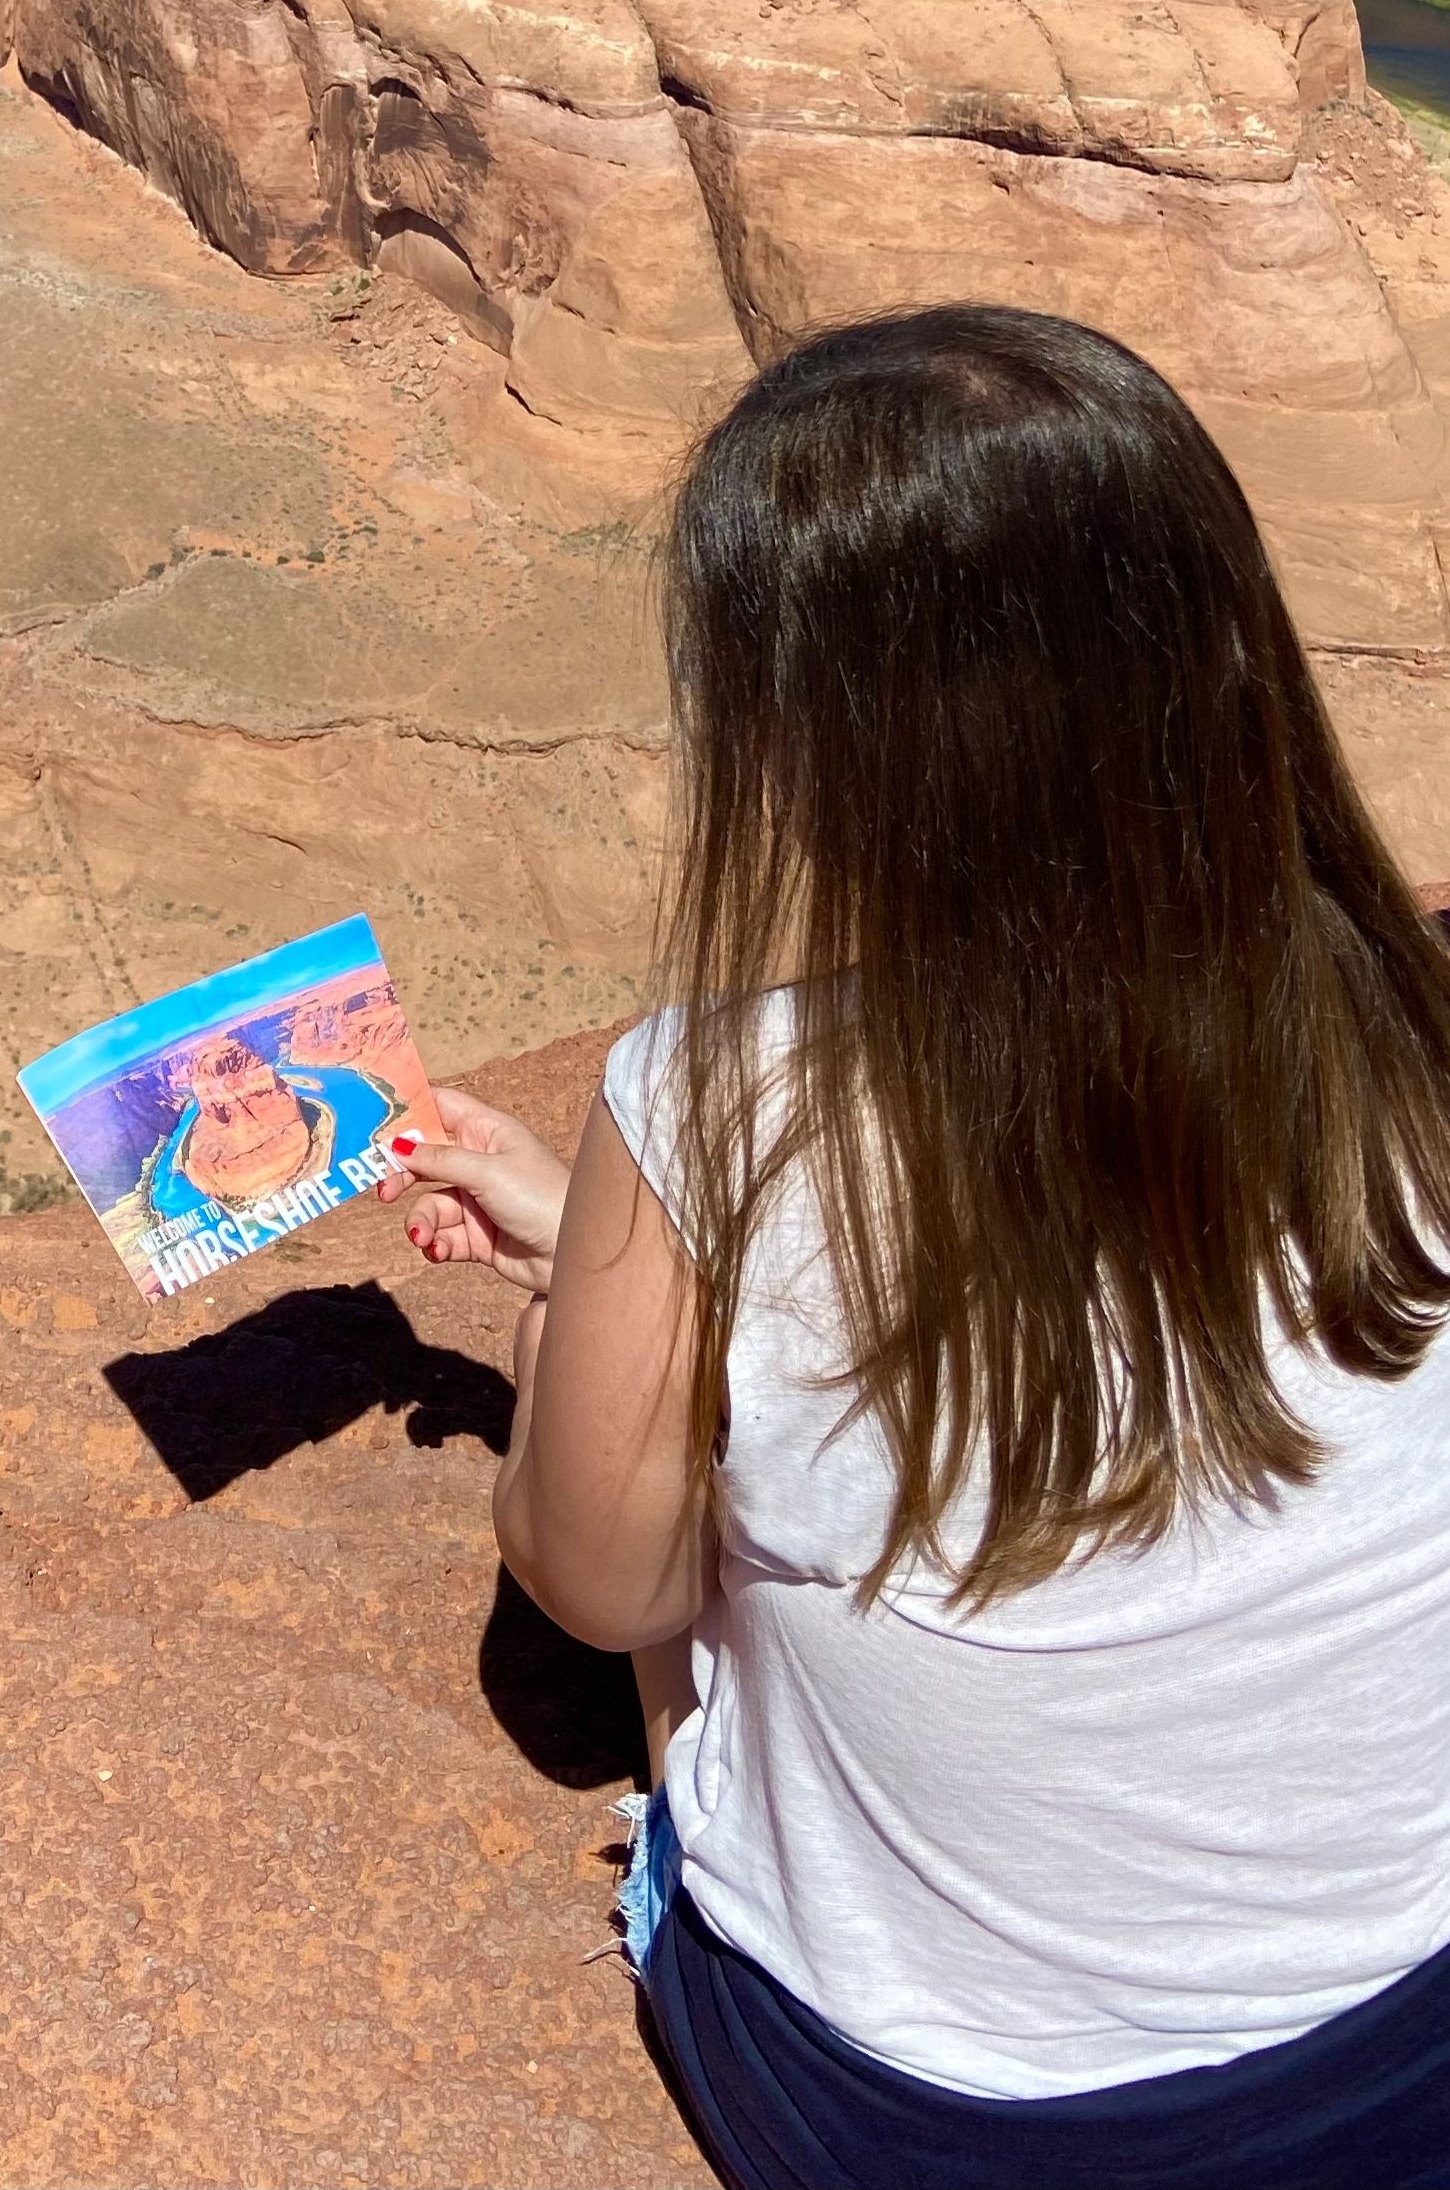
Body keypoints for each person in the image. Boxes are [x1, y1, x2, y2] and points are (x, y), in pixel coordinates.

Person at [382, 306, 1450, 2190]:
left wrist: (579, 1328)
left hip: (941, 2122)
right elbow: (1113, 1232)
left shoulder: (716, 1104)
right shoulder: (1393, 1016)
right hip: (1413, 2050)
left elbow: (597, 1584)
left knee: (646, 1487)